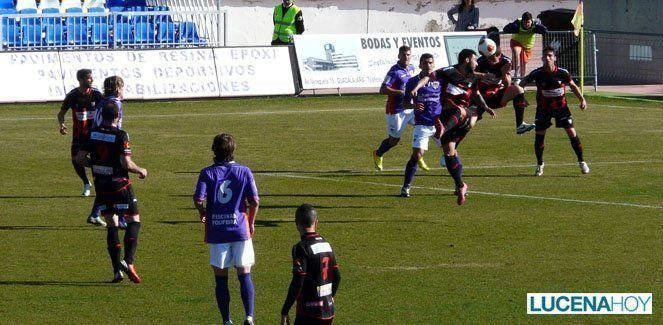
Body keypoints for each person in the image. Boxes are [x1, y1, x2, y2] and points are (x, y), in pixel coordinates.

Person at [75, 101, 147, 284]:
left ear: (102, 116)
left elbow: (80, 158)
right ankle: (128, 261)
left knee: (111, 223)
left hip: (101, 185)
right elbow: (126, 163)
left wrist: (96, 165)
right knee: (134, 220)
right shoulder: (120, 135)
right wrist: (141, 170)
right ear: (118, 116)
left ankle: (116, 272)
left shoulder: (92, 132)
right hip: (120, 185)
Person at [412, 49, 496, 205]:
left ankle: (444, 127)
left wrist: (486, 107)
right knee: (449, 154)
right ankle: (460, 185)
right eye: (475, 60)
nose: (477, 63)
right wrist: (416, 88)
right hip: (446, 115)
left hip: (461, 114)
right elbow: (428, 77)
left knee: (462, 110)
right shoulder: (448, 71)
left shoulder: (473, 77)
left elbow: (476, 95)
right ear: (466, 60)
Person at [194, 133, 259, 325]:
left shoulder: (207, 173)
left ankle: (227, 320)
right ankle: (249, 316)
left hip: (217, 232)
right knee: (244, 272)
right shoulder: (244, 171)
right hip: (240, 229)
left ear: (214, 150)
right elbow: (254, 201)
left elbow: (198, 199)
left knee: (221, 278)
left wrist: (202, 212)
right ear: (233, 150)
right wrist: (251, 222)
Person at [519, 47, 589, 176]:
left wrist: (582, 100)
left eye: (550, 56)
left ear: (555, 58)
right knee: (539, 135)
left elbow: (573, 86)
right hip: (543, 109)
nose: (547, 58)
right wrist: (522, 98)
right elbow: (521, 84)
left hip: (561, 108)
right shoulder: (537, 73)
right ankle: (540, 164)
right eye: (545, 56)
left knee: (572, 133)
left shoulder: (562, 73)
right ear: (542, 58)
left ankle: (582, 162)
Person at [281, 204, 340, 325]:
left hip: (308, 312)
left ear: (296, 224)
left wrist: (285, 310)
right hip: (328, 310)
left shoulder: (301, 248)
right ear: (316, 222)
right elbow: (337, 277)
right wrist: (330, 298)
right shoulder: (327, 245)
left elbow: (298, 282)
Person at [372, 45, 429, 172]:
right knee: (394, 141)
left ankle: (418, 156)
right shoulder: (394, 72)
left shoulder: (412, 68)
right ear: (399, 56)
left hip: (410, 108)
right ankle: (378, 153)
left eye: (408, 55)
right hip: (396, 111)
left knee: (423, 127)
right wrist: (400, 92)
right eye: (403, 55)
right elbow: (382, 89)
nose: (406, 57)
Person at [88, 76, 128, 229]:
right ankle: (122, 219)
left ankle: (95, 214)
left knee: (104, 182)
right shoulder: (116, 104)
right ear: (118, 88)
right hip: (109, 142)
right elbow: (115, 126)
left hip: (96, 140)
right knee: (120, 181)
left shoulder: (102, 102)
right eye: (123, 87)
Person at [399, 53, 442, 198]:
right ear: (420, 65)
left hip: (439, 123)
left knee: (451, 152)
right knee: (417, 155)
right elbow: (404, 103)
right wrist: (413, 106)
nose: (428, 65)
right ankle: (406, 187)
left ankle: (459, 185)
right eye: (424, 63)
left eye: (430, 62)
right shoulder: (412, 82)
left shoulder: (441, 79)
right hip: (422, 124)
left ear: (434, 64)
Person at [57, 69, 103, 201]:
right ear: (81, 80)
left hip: (95, 135)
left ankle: (99, 187)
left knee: (97, 160)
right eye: (89, 78)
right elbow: (61, 114)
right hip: (79, 136)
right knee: (76, 161)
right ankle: (86, 183)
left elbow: (105, 111)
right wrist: (61, 125)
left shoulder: (97, 94)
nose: (92, 80)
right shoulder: (72, 96)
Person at [476, 38, 535, 134]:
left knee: (518, 89)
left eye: (493, 59)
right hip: (481, 97)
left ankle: (520, 125)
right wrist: (481, 75)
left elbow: (507, 85)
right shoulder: (480, 62)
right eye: (489, 59)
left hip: (496, 96)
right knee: (469, 122)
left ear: (499, 56)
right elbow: (469, 75)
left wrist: (503, 74)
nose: (491, 61)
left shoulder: (506, 62)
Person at [503, 12, 548, 79]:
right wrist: (514, 29)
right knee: (516, 52)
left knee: (523, 63)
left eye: (528, 22)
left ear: (531, 21)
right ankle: (516, 73)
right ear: (522, 21)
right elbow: (505, 29)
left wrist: (538, 29)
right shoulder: (517, 23)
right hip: (516, 41)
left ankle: (522, 78)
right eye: (525, 22)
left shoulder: (535, 24)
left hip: (527, 46)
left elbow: (545, 30)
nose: (527, 24)